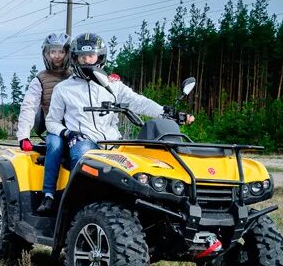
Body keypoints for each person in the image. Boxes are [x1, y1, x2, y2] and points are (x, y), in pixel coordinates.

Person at [44, 32, 193, 213]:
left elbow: (138, 102)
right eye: (82, 57)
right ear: (75, 58)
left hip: (114, 142)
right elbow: (51, 121)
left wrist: (163, 111)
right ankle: (77, 208)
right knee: (84, 155)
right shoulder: (64, 88)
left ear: (100, 56)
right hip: (83, 140)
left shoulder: (113, 85)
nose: (87, 61)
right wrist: (68, 133)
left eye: (91, 56)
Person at [16, 33, 70, 215]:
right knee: (54, 146)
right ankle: (48, 195)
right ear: (46, 54)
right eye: (52, 52)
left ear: (68, 53)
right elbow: (28, 107)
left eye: (61, 51)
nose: (56, 56)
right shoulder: (39, 79)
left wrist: (110, 81)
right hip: (55, 128)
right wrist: (23, 135)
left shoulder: (76, 76)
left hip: (79, 127)